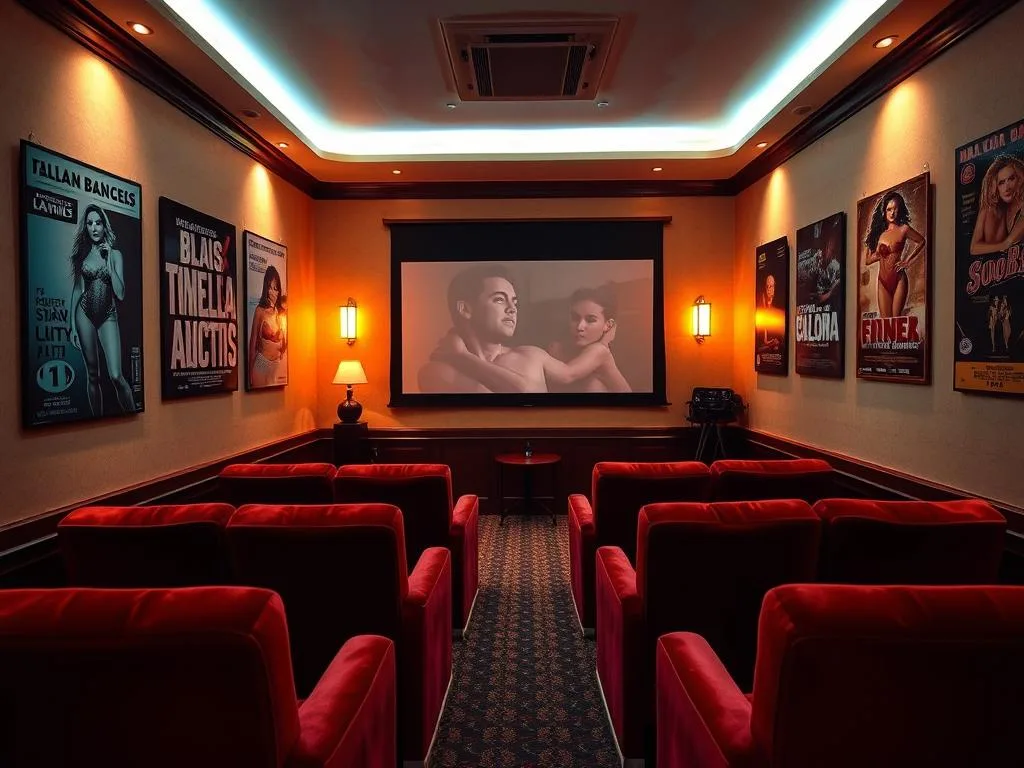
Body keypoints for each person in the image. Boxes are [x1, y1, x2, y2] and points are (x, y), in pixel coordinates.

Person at [418, 264, 618, 393]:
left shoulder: (532, 355)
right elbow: (505, 406)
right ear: (466, 309)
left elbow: (561, 379)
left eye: (514, 302)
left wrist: (462, 356)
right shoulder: (436, 372)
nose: (512, 309)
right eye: (499, 299)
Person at [69, 204, 136, 415]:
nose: (94, 228)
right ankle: (96, 422)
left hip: (108, 315)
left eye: (98, 223)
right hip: (84, 314)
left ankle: (132, 416)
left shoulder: (115, 255)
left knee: (116, 375)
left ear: (104, 226)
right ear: (86, 227)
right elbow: (77, 290)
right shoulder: (81, 256)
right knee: (93, 375)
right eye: (90, 223)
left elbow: (120, 293)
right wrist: (72, 326)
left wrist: (108, 264)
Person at [546, 286, 630, 392]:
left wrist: (535, 355)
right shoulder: (556, 349)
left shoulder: (600, 351)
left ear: (608, 325)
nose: (579, 327)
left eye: (590, 320)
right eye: (575, 318)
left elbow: (567, 375)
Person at [863, 191, 926, 317]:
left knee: (896, 320)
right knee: (886, 322)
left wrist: (907, 261)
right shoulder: (880, 234)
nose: (892, 213)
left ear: (900, 210)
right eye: (889, 209)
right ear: (884, 211)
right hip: (882, 282)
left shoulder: (904, 229)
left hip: (898, 280)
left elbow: (921, 241)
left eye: (895, 209)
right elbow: (868, 260)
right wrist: (871, 240)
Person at [970, 154, 1024, 256]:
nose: (1007, 187)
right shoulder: (995, 208)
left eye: (1011, 179)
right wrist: (1001, 245)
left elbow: (1009, 242)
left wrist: (1005, 244)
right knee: (988, 208)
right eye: (1001, 183)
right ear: (995, 187)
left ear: (1020, 179)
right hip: (1004, 262)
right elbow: (974, 248)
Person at [247, 265, 287, 387]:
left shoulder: (281, 313)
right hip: (261, 365)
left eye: (275, 288)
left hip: (276, 367)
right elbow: (252, 344)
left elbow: (284, 345)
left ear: (279, 290)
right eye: (270, 288)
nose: (273, 292)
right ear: (266, 289)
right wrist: (248, 375)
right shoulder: (260, 311)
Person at [756, 273, 783, 354]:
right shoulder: (761, 304)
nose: (768, 289)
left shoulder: (779, 305)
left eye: (771, 286)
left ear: (775, 287)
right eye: (767, 286)